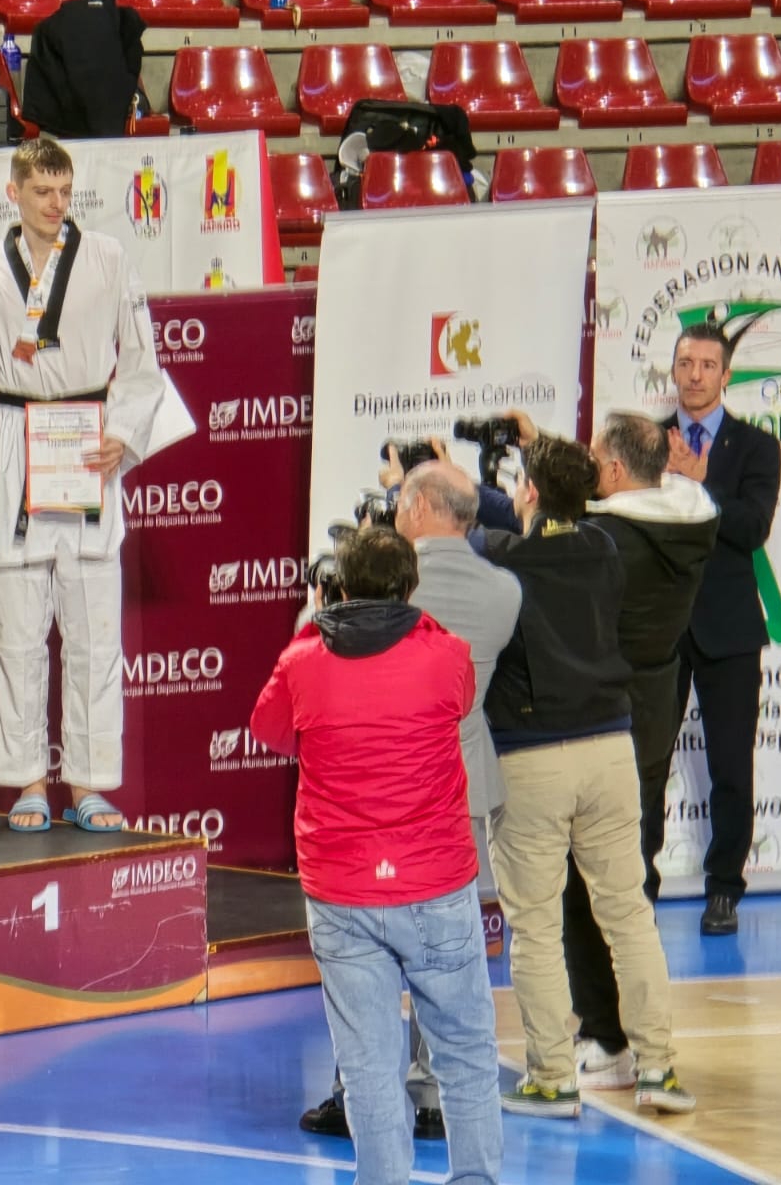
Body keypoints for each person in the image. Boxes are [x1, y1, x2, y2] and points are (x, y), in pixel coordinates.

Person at [253, 526, 502, 1185]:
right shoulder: (444, 653)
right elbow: (459, 699)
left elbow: (272, 730)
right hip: (435, 882)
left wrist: (314, 623)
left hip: (342, 892)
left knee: (367, 1065)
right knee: (466, 1055)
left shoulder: (303, 660)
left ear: (336, 585)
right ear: (409, 586)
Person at [299, 461, 521, 1145]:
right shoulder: (503, 592)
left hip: (371, 803)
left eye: (401, 499)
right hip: (461, 792)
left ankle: (356, 1090)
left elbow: (292, 712)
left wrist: (326, 606)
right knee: (450, 972)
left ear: (420, 507)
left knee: (362, 968)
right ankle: (429, 1091)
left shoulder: (358, 610)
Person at [481, 434, 694, 1118]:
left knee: (537, 925)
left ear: (532, 494)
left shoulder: (503, 559)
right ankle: (657, 1070)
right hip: (609, 750)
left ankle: (550, 1075)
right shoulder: (605, 549)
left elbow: (476, 537)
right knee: (629, 915)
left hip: (531, 757)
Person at [0, 137, 163, 833]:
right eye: (42, 192)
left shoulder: (109, 257)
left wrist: (127, 431)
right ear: (14, 192)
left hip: (88, 449)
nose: (56, 204)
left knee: (92, 634)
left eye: (64, 191)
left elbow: (141, 361)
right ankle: (27, 780)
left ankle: (86, 782)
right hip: (21, 445)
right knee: (19, 631)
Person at [564, 411, 718, 1086]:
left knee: (582, 887)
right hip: (651, 721)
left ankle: (604, 1041)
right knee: (634, 882)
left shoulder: (602, 540)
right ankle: (636, 1036)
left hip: (596, 726)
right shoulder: (694, 519)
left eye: (595, 457)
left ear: (616, 470)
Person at [662, 323, 780, 935]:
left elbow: (750, 527)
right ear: (673, 370)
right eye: (687, 363)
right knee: (644, 765)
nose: (697, 374)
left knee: (733, 767)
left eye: (709, 364)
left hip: (730, 630)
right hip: (656, 629)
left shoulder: (757, 448)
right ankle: (637, 886)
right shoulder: (644, 443)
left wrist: (697, 480)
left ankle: (725, 889)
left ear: (727, 374)